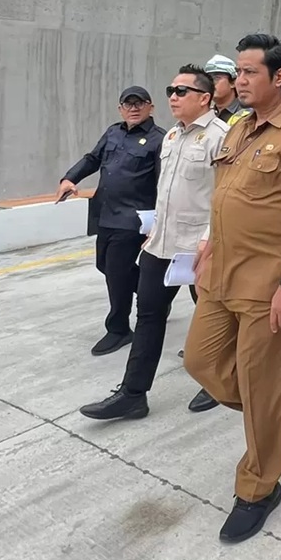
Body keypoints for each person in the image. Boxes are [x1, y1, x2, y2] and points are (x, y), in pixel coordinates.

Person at [185, 34, 281, 543]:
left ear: (279, 77)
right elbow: (224, 197)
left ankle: (258, 488)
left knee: (259, 380)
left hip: (268, 284)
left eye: (248, 73)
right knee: (200, 362)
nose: (237, 81)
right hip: (222, 275)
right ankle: (272, 404)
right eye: (238, 73)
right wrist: (207, 246)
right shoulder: (239, 130)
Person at [79, 66, 230, 421]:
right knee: (148, 315)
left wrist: (210, 240)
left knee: (210, 317)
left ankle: (216, 381)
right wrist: (155, 228)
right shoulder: (173, 138)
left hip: (199, 248)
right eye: (171, 90)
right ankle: (133, 394)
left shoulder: (222, 137)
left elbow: (226, 197)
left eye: (182, 91)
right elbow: (165, 192)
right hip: (161, 244)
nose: (173, 97)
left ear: (205, 98)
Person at [58, 87, 165, 355]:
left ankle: (118, 329)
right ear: (120, 109)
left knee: (117, 273)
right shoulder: (113, 132)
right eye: (127, 104)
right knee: (104, 265)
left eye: (139, 103)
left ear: (150, 107)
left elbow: (165, 185)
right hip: (105, 213)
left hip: (133, 220)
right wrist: (70, 178)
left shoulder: (160, 140)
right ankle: (153, 293)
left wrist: (159, 224)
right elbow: (92, 159)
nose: (133, 108)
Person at [204, 53, 250, 126]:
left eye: (216, 78)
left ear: (233, 82)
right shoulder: (206, 115)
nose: (211, 83)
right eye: (208, 79)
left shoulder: (248, 115)